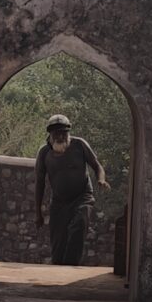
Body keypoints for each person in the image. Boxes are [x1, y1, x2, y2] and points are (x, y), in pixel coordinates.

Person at [33, 111, 107, 266]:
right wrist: (38, 213)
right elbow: (40, 182)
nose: (60, 136)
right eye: (57, 133)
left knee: (79, 225)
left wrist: (101, 180)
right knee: (58, 244)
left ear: (68, 133)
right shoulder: (44, 153)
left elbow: (97, 165)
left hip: (82, 197)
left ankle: (70, 266)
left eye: (63, 133)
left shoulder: (79, 145)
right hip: (59, 202)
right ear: (50, 134)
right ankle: (59, 272)